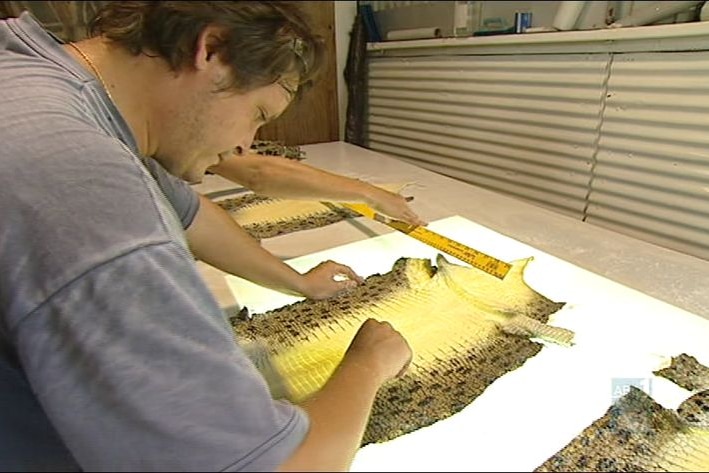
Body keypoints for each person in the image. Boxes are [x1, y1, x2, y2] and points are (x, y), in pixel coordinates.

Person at [0, 2, 413, 471]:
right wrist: (368, 364)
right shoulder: (86, 188)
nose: (245, 145)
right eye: (258, 113)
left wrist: (296, 282)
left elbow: (190, 213)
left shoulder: (33, 76)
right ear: (211, 49)